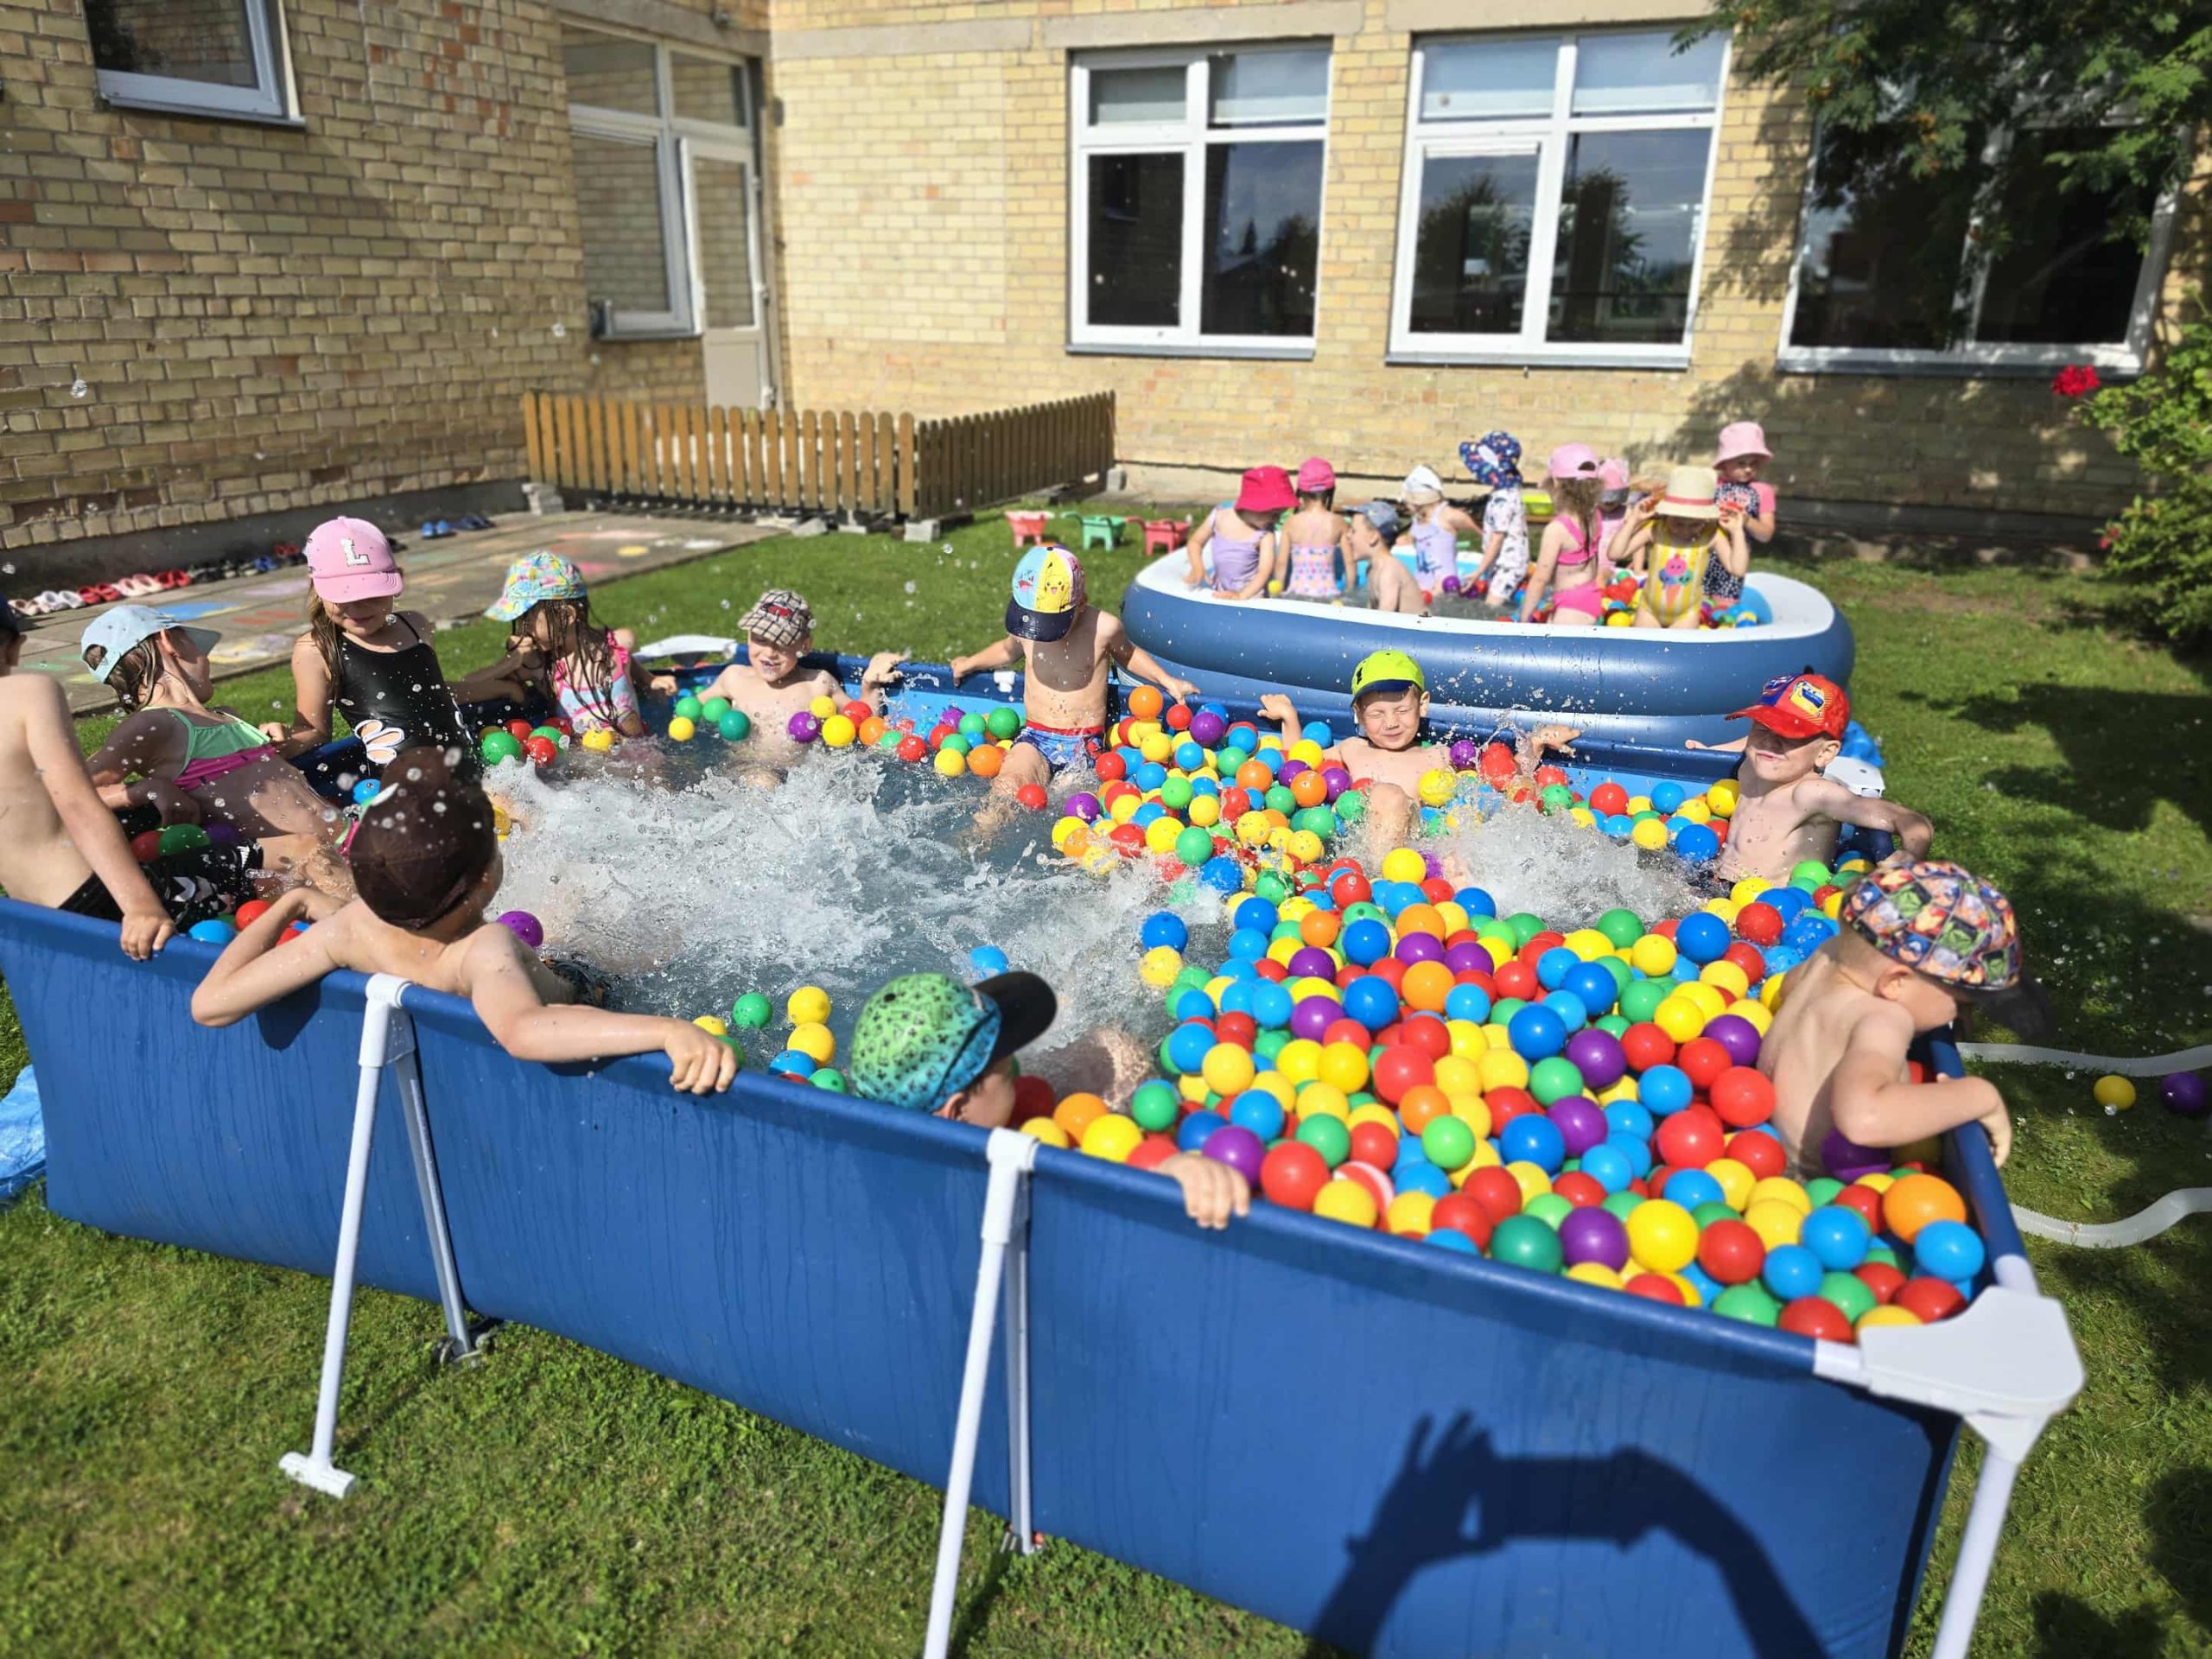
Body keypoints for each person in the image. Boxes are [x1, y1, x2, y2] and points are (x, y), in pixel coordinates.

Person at [190, 747, 737, 1096]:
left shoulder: (351, 928)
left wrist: (288, 905)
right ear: (485, 881)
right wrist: (667, 1029)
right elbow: (525, 1031)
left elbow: (210, 1005)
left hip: (485, 1006)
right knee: (663, 943)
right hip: (588, 994)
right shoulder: (483, 948)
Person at [846, 969, 1249, 1229]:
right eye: (1004, 1060)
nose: (1014, 1060)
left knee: (1113, 1050)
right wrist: (1166, 1169)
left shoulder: (859, 1151)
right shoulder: (947, 1209)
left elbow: (1108, 1052)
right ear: (957, 1110)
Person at [1760, 858, 2023, 1172]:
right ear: (1896, 983)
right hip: (1813, 1178)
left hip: (1761, 1136)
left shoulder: (1828, 955)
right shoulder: (1884, 1019)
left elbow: (1789, 987)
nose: (1964, 1014)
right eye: (1962, 1002)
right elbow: (1863, 1118)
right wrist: (1979, 1096)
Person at [79, 605, 352, 893]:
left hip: (344, 841)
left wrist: (281, 739)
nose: (206, 659)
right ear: (169, 641)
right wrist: (148, 789)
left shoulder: (225, 715)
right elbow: (70, 789)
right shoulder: (153, 724)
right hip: (301, 868)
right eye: (200, 648)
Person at [0, 597, 214, 956]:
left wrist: (142, 790)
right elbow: (76, 803)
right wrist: (140, 906)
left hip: (32, 916)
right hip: (91, 892)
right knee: (246, 864)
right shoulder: (28, 691)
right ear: (16, 647)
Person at [948, 544, 1198, 802]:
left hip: (1083, 744)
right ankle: (983, 827)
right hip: (1035, 737)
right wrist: (969, 663)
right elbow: (1006, 650)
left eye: (1049, 624)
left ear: (1081, 604)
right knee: (1007, 786)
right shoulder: (1027, 625)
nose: (1040, 630)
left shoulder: (1103, 629)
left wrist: (1167, 681)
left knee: (1075, 804)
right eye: (1036, 621)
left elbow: (1129, 655)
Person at [277, 518, 486, 775]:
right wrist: (283, 742)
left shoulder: (416, 626)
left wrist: (498, 686)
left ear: (397, 581)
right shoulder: (316, 650)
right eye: (344, 595)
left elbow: (435, 694)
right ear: (317, 589)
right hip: (399, 787)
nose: (358, 607)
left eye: (371, 594)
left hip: (469, 772)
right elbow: (314, 731)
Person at [1706, 672, 1933, 885]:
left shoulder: (1812, 794)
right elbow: (1750, 744)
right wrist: (1707, 751)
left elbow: (1913, 821)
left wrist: (1909, 856)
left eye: (1789, 734)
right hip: (1721, 887)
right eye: (1764, 728)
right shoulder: (1751, 764)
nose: (1770, 743)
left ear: (1825, 753)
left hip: (1779, 903)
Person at [468, 553, 663, 739]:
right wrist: (508, 663)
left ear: (567, 616)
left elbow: (627, 665)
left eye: (528, 620)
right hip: (584, 760)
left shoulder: (616, 644)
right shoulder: (539, 666)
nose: (523, 631)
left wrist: (650, 680)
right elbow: (468, 685)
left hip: (640, 754)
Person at [694, 588, 906, 737]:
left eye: (782, 643)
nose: (770, 652)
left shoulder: (818, 684)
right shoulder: (734, 678)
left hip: (796, 779)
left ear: (804, 646)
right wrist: (671, 688)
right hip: (739, 771)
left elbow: (863, 723)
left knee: (761, 780)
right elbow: (689, 709)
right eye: (761, 640)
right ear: (748, 638)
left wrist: (869, 685)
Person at [1617, 466, 1751, 631]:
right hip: (1649, 611)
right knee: (1644, 646)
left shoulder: (1711, 536)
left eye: (1694, 524)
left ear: (1706, 519)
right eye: (1678, 523)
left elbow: (1738, 569)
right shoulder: (1656, 531)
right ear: (1666, 515)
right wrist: (1633, 521)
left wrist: (1737, 532)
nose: (1685, 530)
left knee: (1679, 647)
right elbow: (1616, 553)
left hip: (1686, 615)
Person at [1517, 443, 1607, 626]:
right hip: (1589, 596)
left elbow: (1540, 579)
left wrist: (1523, 621)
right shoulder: (1595, 515)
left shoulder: (1557, 529)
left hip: (1571, 607)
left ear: (1556, 483)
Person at [1183, 467, 1292, 601]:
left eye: (1280, 515)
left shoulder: (1265, 534)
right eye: (1274, 514)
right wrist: (1197, 566)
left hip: (1251, 597)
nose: (1277, 520)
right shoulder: (1219, 516)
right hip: (1220, 589)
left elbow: (1264, 572)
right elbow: (1195, 543)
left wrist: (1242, 595)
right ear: (1254, 505)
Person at [1461, 432, 1529, 603]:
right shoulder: (1503, 492)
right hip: (1500, 561)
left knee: (1491, 606)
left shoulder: (1504, 499)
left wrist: (1478, 571)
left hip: (1509, 565)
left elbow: (1498, 538)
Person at [1396, 465, 1478, 603]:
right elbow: (1410, 540)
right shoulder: (1418, 519)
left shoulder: (1447, 516)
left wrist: (1481, 569)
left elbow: (1485, 535)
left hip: (1445, 587)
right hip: (1422, 586)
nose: (1405, 504)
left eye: (1409, 500)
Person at [1281, 458, 1348, 601]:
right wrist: (1350, 593)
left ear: (1301, 491)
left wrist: (1277, 593)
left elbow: (1281, 563)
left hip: (1297, 593)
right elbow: (1350, 564)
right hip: (1328, 594)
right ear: (1330, 491)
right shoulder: (1338, 522)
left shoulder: (1290, 523)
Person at [1344, 502, 1425, 615]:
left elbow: (1384, 618)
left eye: (1353, 531)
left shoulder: (1389, 570)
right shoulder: (1371, 569)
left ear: (1373, 537)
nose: (1347, 535)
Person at [1713, 420, 1779, 547]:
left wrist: (1746, 520)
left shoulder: (1763, 491)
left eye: (1753, 463)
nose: (1748, 469)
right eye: (1741, 463)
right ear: (1725, 463)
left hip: (1739, 555)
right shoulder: (1710, 486)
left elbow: (1766, 535)